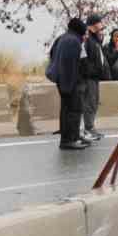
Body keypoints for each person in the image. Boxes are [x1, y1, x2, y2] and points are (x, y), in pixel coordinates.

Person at [47, 17, 87, 150]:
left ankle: (71, 136)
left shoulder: (63, 37)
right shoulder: (73, 41)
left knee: (67, 110)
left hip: (63, 80)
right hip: (70, 82)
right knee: (73, 110)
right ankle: (69, 140)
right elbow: (70, 65)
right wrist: (69, 85)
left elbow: (52, 54)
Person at [79, 13, 109, 141]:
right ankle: (88, 129)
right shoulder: (87, 39)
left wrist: (100, 37)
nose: (102, 25)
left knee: (94, 103)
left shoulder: (95, 39)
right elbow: (84, 58)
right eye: (100, 23)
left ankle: (90, 128)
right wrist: (90, 71)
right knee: (90, 103)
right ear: (93, 24)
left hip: (94, 77)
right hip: (88, 77)